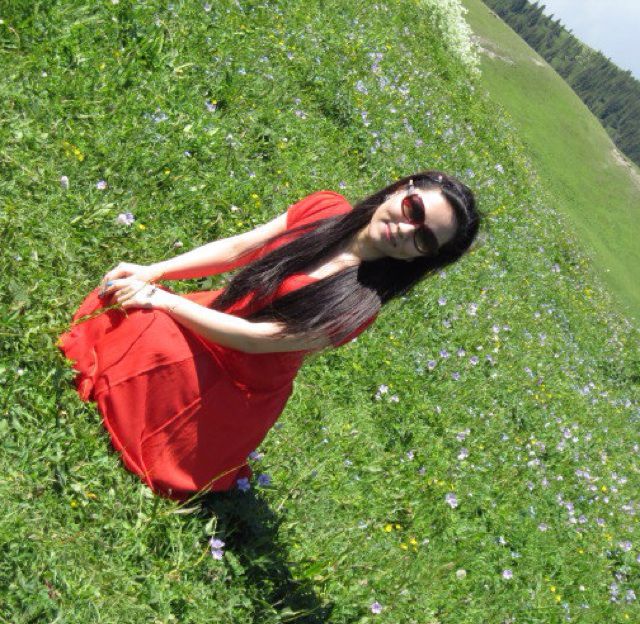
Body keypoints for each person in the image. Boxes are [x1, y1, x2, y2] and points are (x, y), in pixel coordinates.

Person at [58, 170, 481, 502]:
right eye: (413, 209)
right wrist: (154, 273)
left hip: (235, 382)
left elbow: (254, 339)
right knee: (129, 307)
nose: (407, 229)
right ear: (401, 190)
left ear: (421, 259)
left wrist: (163, 301)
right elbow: (240, 247)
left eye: (424, 239)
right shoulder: (325, 207)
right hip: (214, 314)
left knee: (147, 331)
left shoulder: (358, 306)